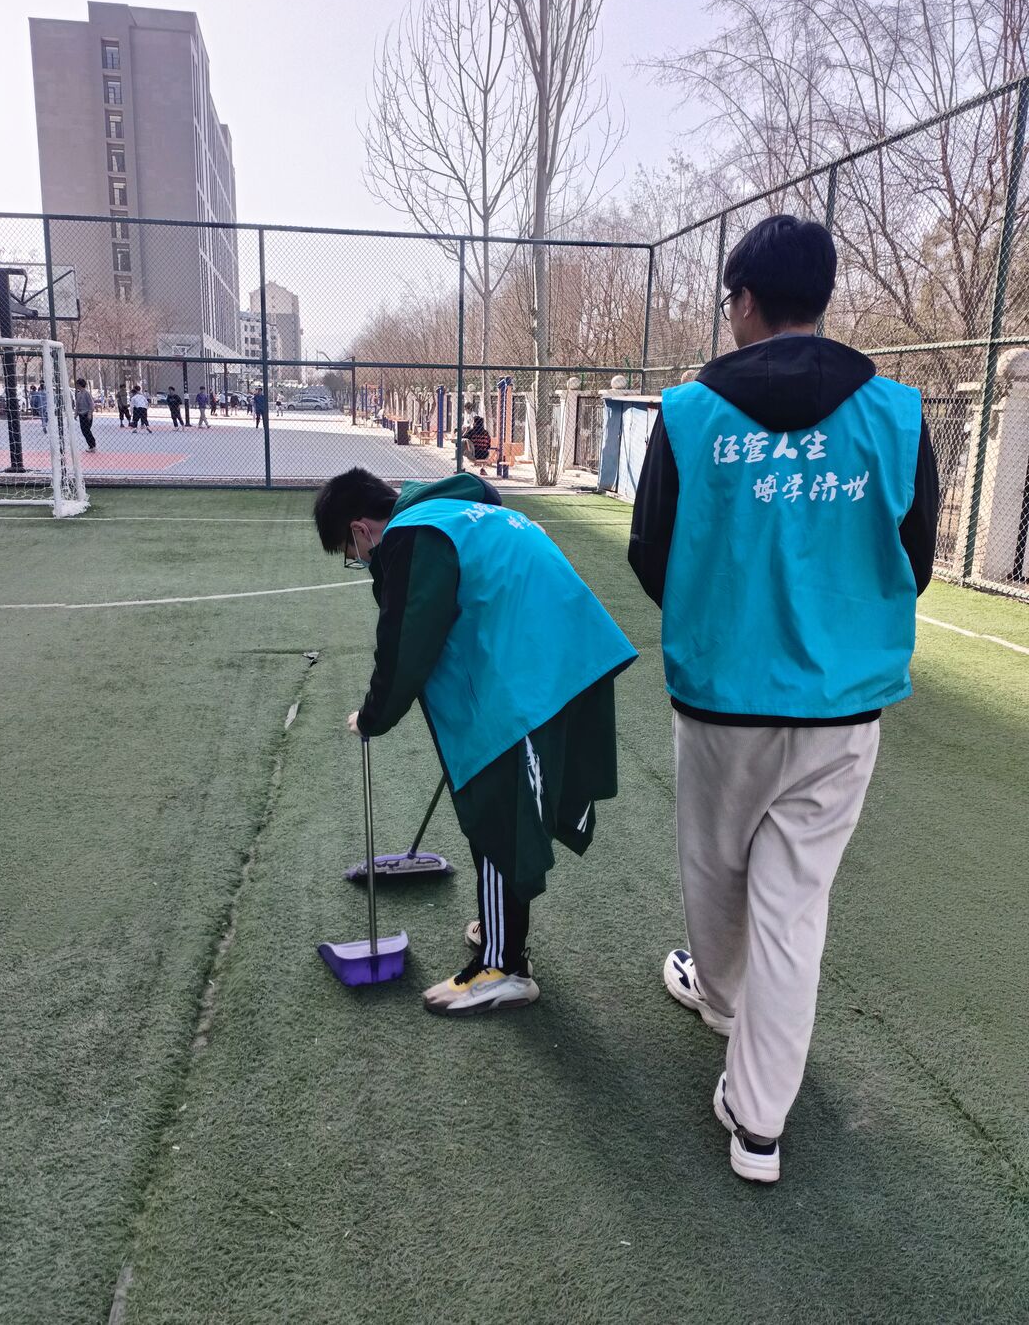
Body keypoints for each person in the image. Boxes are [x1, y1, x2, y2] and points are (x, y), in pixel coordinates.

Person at [628, 215, 940, 1184]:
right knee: (793, 909)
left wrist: (723, 618)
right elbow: (916, 557)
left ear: (747, 301)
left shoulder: (688, 412)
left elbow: (649, 551)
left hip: (721, 699)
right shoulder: (896, 414)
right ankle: (756, 1124)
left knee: (714, 873)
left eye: (731, 299)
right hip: (842, 708)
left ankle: (719, 996)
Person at [314, 468, 637, 1016]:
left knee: (497, 814)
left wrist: (372, 717)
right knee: (503, 806)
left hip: (532, 677)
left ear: (360, 529)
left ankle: (503, 967)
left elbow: (404, 644)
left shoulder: (412, 536)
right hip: (564, 660)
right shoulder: (455, 510)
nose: (363, 560)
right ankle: (499, 928)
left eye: (353, 553)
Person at [73, 378, 96, 452]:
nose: (76, 386)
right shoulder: (78, 394)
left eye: (77, 384)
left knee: (87, 430)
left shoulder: (87, 393)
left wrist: (90, 414)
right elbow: (77, 405)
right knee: (84, 431)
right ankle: (91, 445)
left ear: (80, 385)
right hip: (81, 415)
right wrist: (76, 414)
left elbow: (91, 404)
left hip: (87, 414)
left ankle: (92, 445)